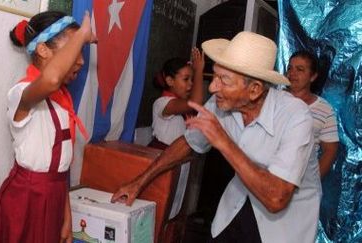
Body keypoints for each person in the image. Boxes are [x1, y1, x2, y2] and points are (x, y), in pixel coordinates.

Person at [112, 31, 320, 243]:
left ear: (254, 89)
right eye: (215, 76)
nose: (212, 87)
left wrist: (223, 141)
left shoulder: (297, 117)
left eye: (224, 80)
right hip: (238, 204)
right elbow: (187, 143)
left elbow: (277, 197)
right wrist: (139, 182)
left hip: (283, 226)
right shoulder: (220, 104)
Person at [0, 11, 96, 243]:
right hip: (26, 199)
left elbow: (60, 170)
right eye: (73, 48)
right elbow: (51, 79)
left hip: (54, 196)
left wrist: (67, 216)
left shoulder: (63, 102)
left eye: (80, 50)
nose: (81, 60)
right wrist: (82, 33)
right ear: (43, 50)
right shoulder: (21, 93)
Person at [149, 48, 204, 221]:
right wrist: (200, 71)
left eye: (192, 80)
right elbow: (194, 103)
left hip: (179, 163)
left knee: (174, 212)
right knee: (160, 212)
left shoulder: (180, 107)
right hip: (164, 164)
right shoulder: (162, 103)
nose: (190, 85)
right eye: (186, 79)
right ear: (170, 80)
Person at [286, 50, 339, 178]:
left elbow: (330, 150)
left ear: (313, 76)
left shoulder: (324, 109)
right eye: (290, 68)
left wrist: (312, 182)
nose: (292, 73)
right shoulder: (273, 99)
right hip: (266, 177)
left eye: (300, 69)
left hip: (302, 183)